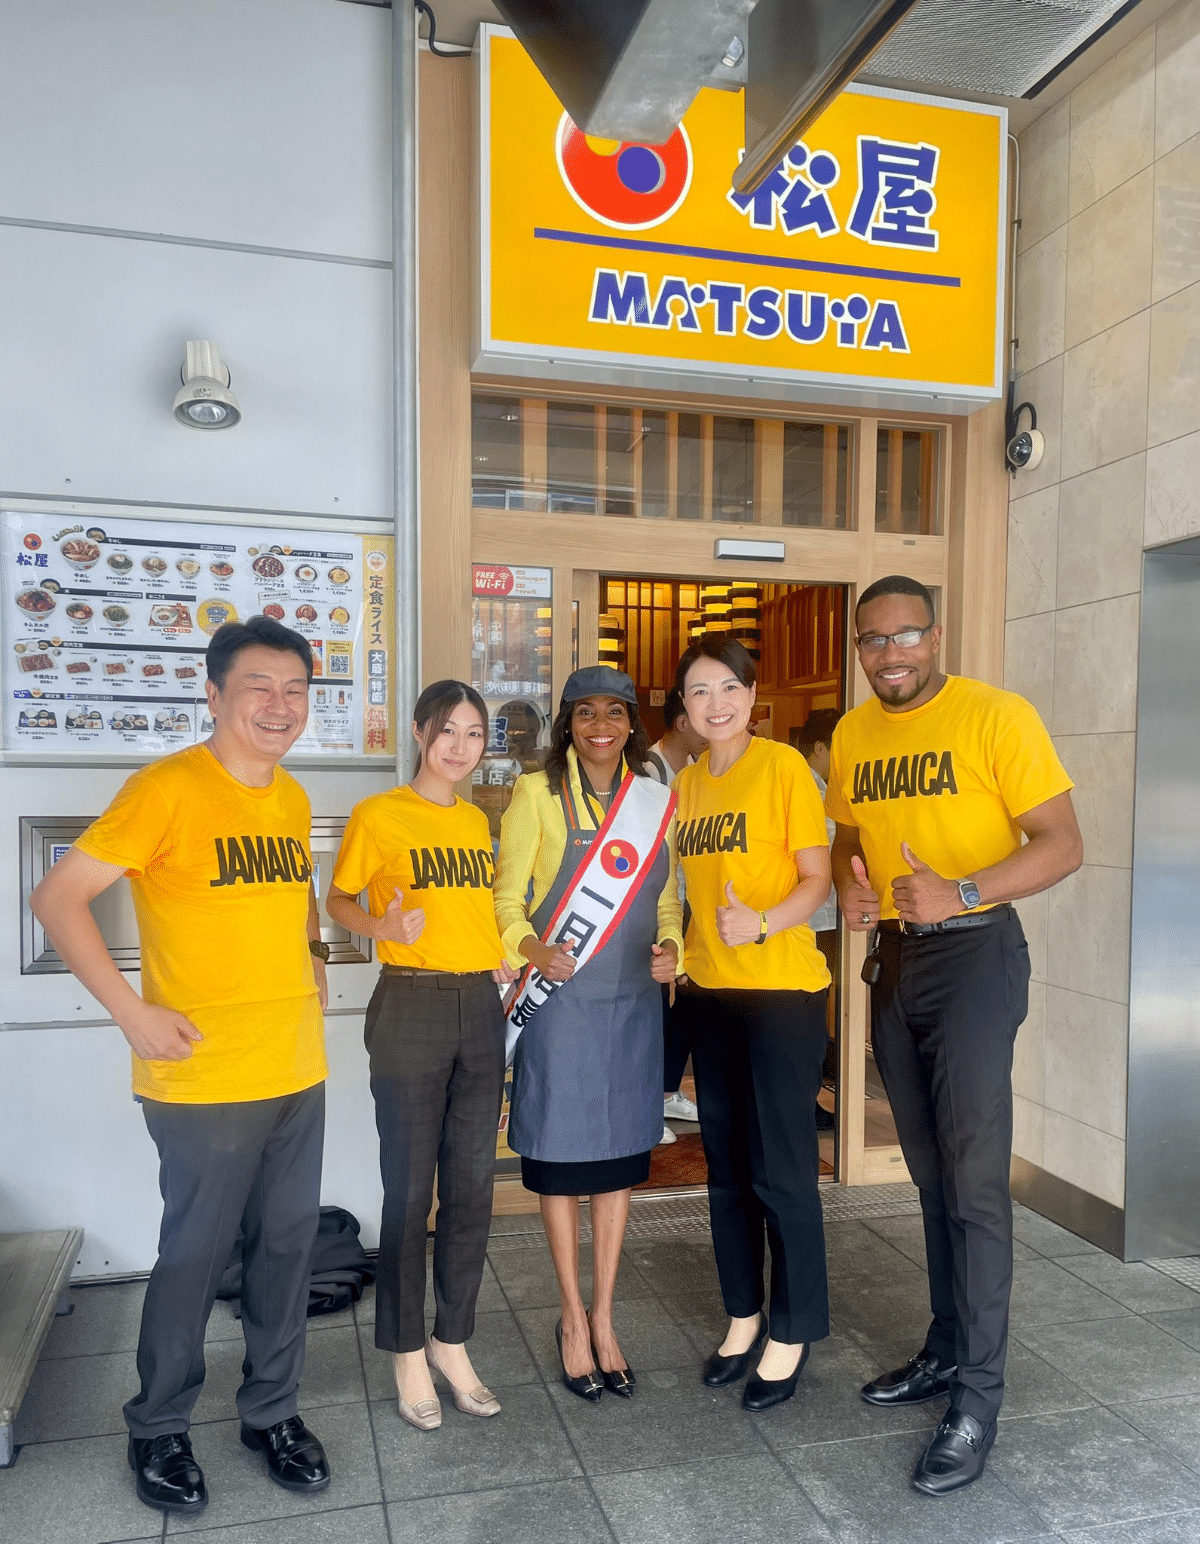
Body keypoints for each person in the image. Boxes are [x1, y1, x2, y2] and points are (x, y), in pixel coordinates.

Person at [30, 616, 331, 1520]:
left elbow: (293, 893)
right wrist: (130, 1012)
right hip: (202, 1080)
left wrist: (311, 949)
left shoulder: (290, 798)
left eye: (294, 690)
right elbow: (58, 897)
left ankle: (270, 1413)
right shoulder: (166, 789)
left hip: (295, 1066)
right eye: (258, 687)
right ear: (213, 692)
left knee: (286, 1252)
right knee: (195, 1259)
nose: (278, 707)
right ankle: (158, 1425)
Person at [828, 574, 1082, 1496]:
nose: (890, 655)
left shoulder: (996, 717)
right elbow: (847, 836)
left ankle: (979, 1398)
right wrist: (852, 886)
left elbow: (1062, 841)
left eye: (906, 637)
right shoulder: (854, 734)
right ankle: (944, 1349)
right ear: (858, 648)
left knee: (975, 1185)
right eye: (873, 641)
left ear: (934, 638)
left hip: (975, 957)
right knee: (931, 1176)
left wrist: (963, 892)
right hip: (898, 962)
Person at [326, 681, 511, 1433]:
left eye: (474, 733)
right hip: (409, 1003)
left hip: (480, 1008)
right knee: (408, 1190)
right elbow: (337, 902)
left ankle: (452, 1341)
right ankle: (405, 1349)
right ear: (418, 731)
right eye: (448, 732)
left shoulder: (474, 820)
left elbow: (478, 911)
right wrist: (380, 924)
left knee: (472, 1186)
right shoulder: (379, 815)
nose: (461, 746)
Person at [494, 666, 682, 1400]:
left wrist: (676, 951)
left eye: (615, 712)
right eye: (585, 713)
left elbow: (669, 900)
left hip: (634, 1008)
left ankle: (607, 1318)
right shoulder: (534, 794)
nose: (600, 725)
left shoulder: (655, 801)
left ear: (632, 722)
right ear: (567, 723)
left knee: (615, 1166)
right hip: (561, 1009)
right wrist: (530, 948)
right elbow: (506, 897)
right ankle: (571, 1318)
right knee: (563, 1163)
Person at [672, 635, 832, 1412]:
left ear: (752, 693)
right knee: (727, 1169)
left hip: (781, 996)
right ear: (684, 706)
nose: (715, 703)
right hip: (711, 994)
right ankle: (744, 1315)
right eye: (699, 691)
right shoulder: (688, 786)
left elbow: (817, 877)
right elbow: (690, 894)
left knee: (782, 1172)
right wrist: (680, 948)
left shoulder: (784, 768)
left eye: (727, 688)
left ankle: (793, 1328)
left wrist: (762, 923)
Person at [645, 686, 708, 1142]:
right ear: (682, 722)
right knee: (655, 1007)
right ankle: (647, 1104)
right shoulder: (651, 769)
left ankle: (666, 1092)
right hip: (655, 903)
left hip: (682, 901)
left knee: (683, 1004)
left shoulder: (693, 772)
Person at [797, 707, 843, 1132]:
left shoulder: (823, 787)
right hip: (810, 921)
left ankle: (812, 1095)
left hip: (822, 917)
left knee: (819, 1011)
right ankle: (806, 1100)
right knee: (811, 1013)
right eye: (839, 747)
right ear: (820, 748)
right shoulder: (808, 790)